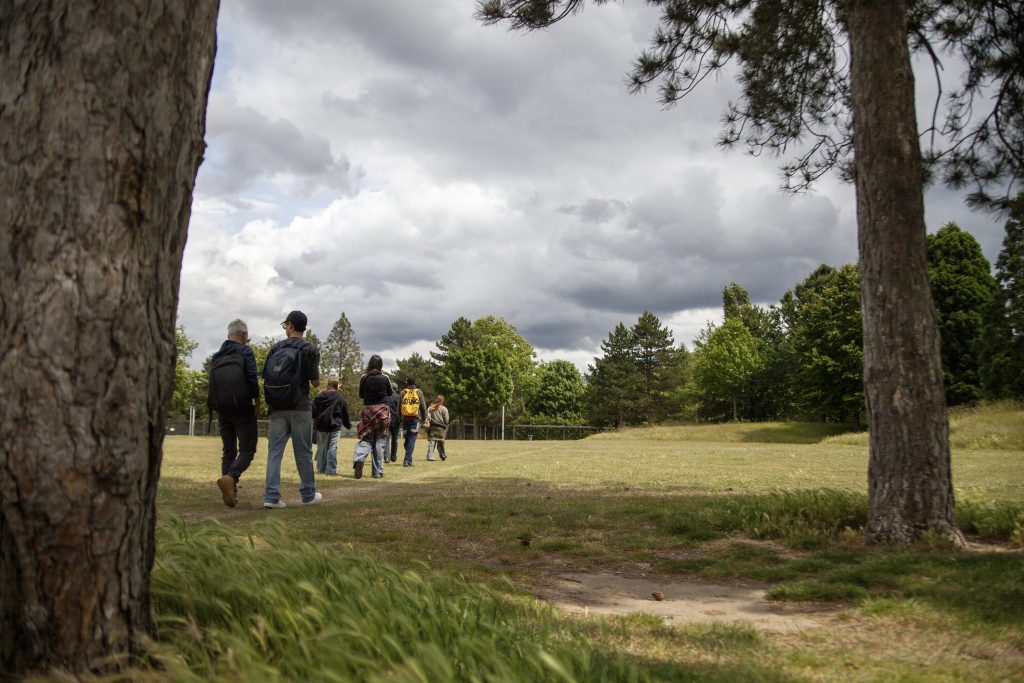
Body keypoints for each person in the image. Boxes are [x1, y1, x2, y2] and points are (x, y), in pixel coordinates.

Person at [263, 310, 323, 508]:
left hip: (276, 406)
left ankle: (271, 496)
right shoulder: (310, 349)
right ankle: (308, 495)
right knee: (303, 452)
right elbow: (315, 382)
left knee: (274, 452)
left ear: (290, 325)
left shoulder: (275, 348)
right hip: (300, 406)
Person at [210, 319, 260, 507]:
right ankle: (231, 478)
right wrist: (256, 399)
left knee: (228, 450)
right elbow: (252, 376)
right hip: (242, 407)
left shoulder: (217, 356)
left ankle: (231, 491)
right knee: (247, 449)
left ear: (228, 335)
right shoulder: (245, 351)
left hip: (222, 408)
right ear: (245, 335)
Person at [356, 354, 392, 478]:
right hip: (382, 411)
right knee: (380, 441)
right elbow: (390, 393)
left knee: (367, 439)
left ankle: (360, 458)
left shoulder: (364, 377)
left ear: (370, 364)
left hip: (368, 411)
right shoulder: (385, 377)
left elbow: (361, 395)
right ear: (381, 365)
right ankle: (377, 472)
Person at [312, 377, 351, 475]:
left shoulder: (319, 396)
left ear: (328, 385)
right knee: (332, 447)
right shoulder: (340, 397)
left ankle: (321, 468)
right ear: (337, 386)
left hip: (321, 426)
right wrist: (348, 425)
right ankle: (331, 470)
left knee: (321, 448)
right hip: (335, 426)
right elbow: (344, 413)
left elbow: (313, 412)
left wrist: (315, 424)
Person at [399, 377, 426, 467]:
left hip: (405, 419)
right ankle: (407, 460)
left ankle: (408, 459)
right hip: (416, 419)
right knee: (411, 439)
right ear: (415, 382)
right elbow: (423, 406)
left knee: (408, 439)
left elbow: (399, 407)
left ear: (407, 382)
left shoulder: (403, 392)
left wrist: (399, 419)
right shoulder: (419, 392)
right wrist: (424, 418)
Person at [424, 394, 450, 462]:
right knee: (441, 443)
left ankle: (430, 456)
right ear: (442, 401)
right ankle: (443, 455)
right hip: (441, 429)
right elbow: (446, 420)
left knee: (432, 442)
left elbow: (427, 417)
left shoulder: (430, 408)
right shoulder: (444, 409)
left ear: (436, 399)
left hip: (433, 428)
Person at [384, 381, 400, 463]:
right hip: (396, 421)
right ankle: (393, 456)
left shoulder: (385, 396)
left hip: (386, 420)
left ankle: (387, 457)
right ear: (396, 389)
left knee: (386, 439)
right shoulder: (398, 397)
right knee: (395, 439)